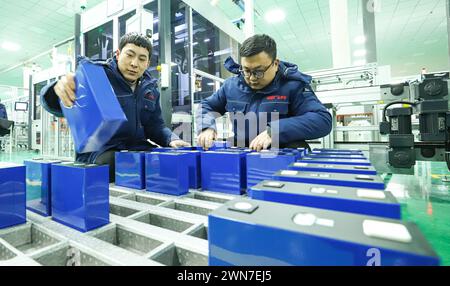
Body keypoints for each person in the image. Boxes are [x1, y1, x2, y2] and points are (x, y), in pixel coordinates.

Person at [41, 32, 190, 180]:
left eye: (141, 59)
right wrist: (58, 90)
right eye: (129, 55)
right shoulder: (98, 76)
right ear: (118, 54)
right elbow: (55, 102)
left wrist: (171, 139)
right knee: (118, 167)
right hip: (101, 152)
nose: (134, 63)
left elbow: (155, 126)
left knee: (166, 164)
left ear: (147, 63)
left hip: (137, 149)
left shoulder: (150, 89)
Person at [196, 34, 332, 151]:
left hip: (283, 157)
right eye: (246, 70)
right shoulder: (231, 86)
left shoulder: (293, 86)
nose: (252, 78)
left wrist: (275, 131)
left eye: (259, 71)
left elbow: (322, 120)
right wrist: (207, 127)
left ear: (275, 63)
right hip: (244, 155)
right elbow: (206, 106)